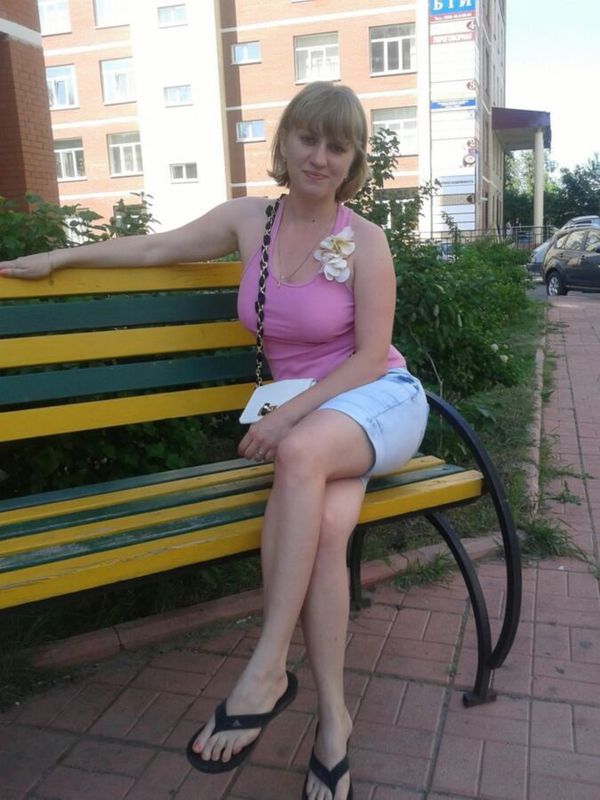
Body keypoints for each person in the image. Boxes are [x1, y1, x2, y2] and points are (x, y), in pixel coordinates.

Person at [0, 81, 428, 800]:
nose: (319, 157)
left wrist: (286, 420)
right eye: (308, 138)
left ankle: (266, 669)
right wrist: (62, 258)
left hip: (379, 401)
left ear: (353, 161)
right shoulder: (247, 220)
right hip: (313, 420)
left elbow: (365, 359)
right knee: (326, 532)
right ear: (284, 141)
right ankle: (333, 724)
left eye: (337, 146)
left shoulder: (365, 241)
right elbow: (156, 247)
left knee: (298, 454)